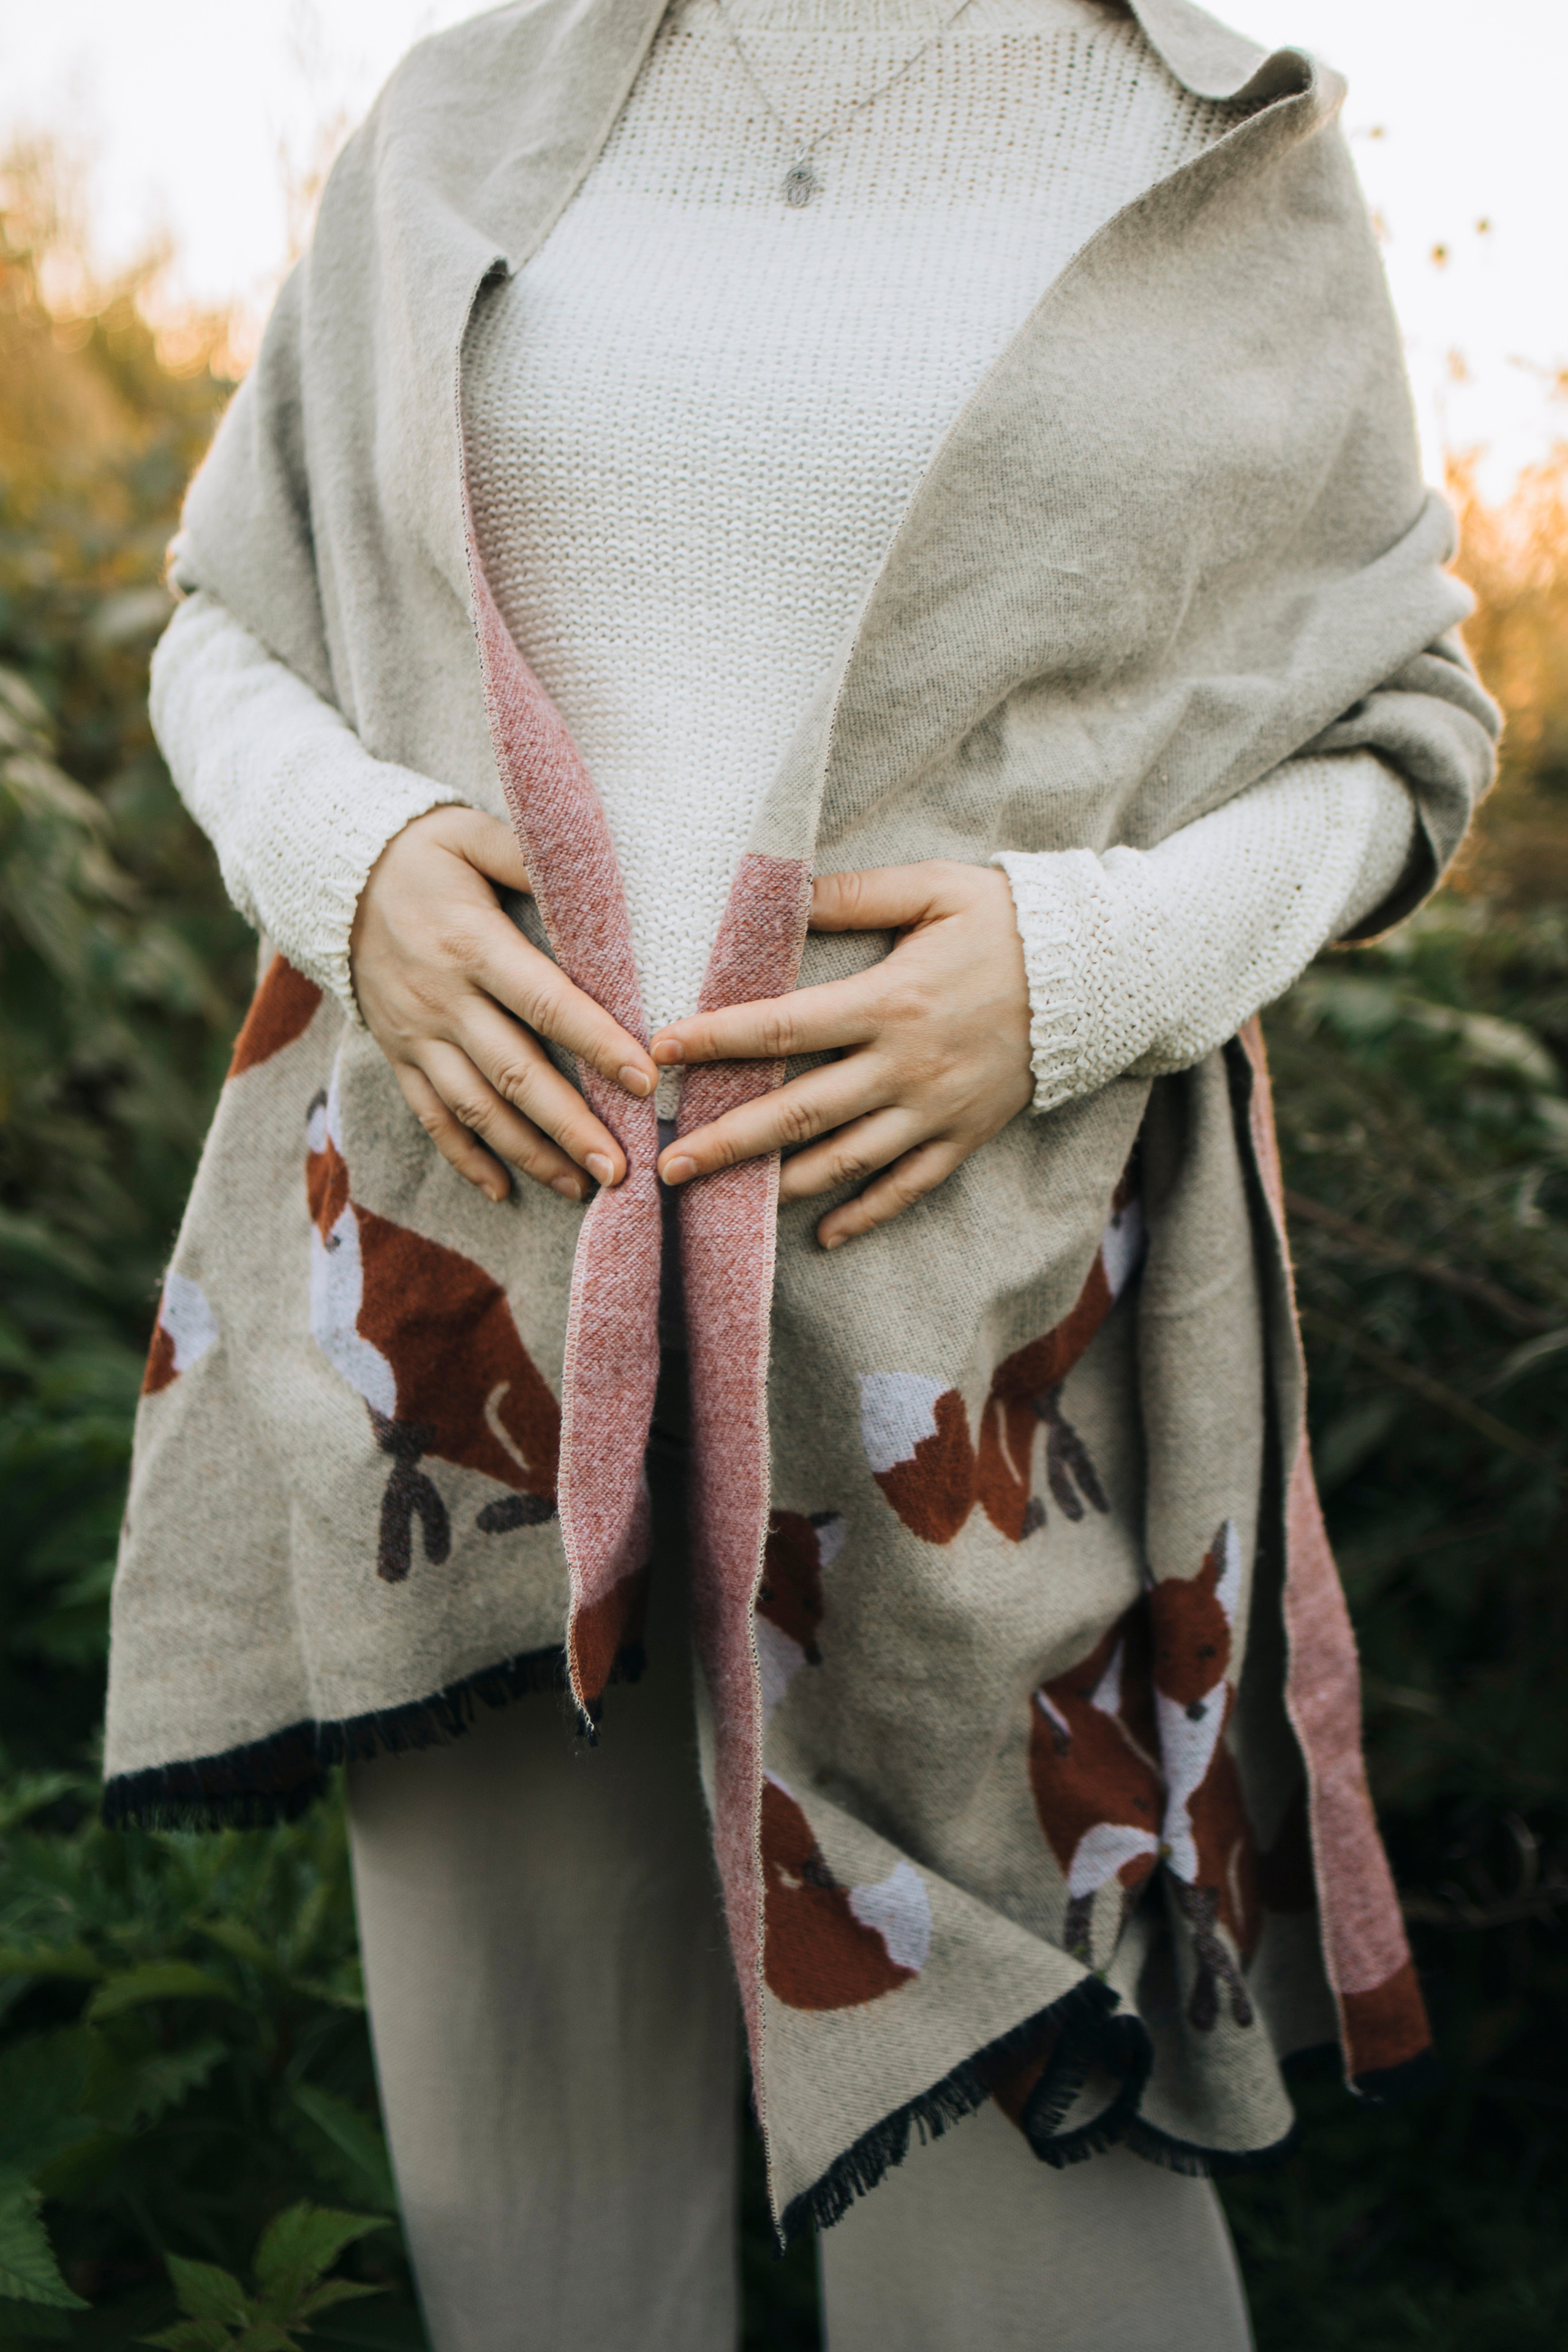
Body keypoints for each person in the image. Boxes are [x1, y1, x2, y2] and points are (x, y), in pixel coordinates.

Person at [104, 0, 1499, 2345]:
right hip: (463, 1325)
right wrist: (360, 866)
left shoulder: (1214, 153)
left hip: (962, 1384)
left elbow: (1406, 731)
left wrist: (1086, 964)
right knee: (542, 2242)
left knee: (1034, 2239)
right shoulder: (467, 107)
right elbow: (228, 622)